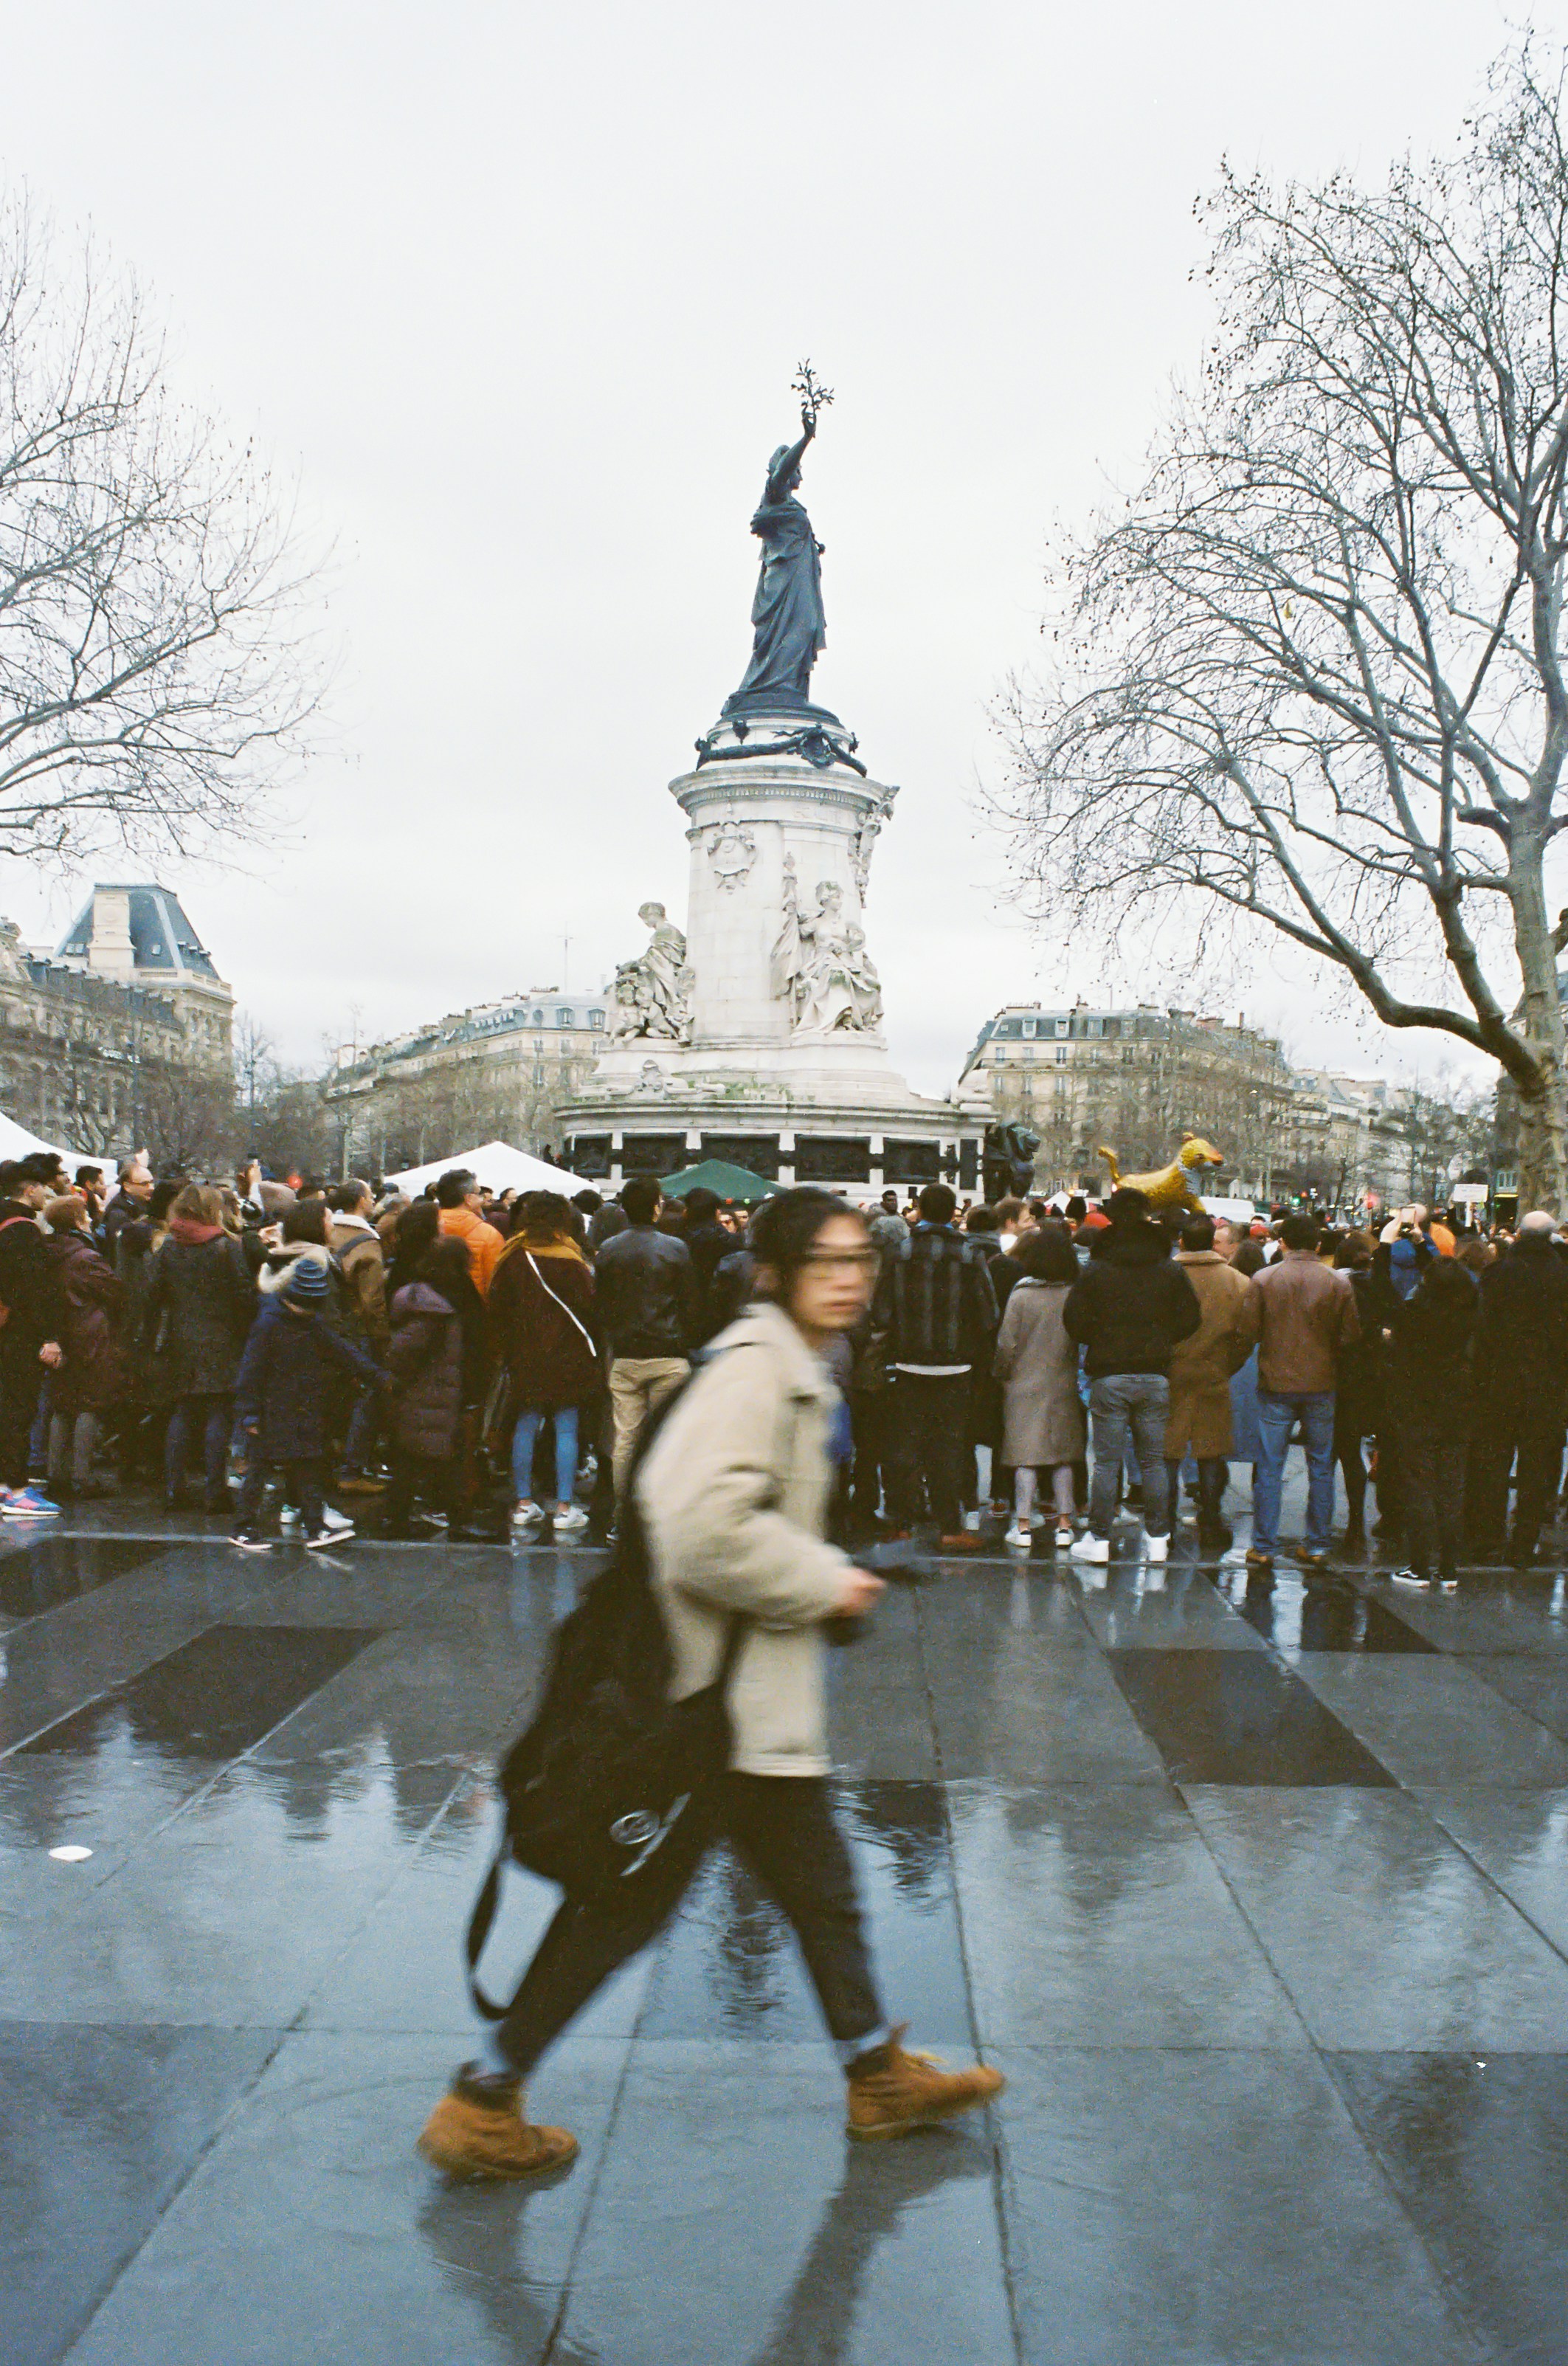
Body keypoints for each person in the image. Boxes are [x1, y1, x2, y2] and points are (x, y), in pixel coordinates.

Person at [416, 1187, 1004, 2180]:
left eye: (861, 1256)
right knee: (626, 1910)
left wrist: (836, 1559)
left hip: (742, 1700)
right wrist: (825, 1579)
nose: (852, 1276)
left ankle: (874, 2073)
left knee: (817, 1894)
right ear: (774, 1271)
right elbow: (700, 1528)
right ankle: (482, 2097)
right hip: (709, 1705)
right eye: (828, 1259)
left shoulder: (789, 1366)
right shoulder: (754, 1374)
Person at [1062, 1187, 1201, 1566]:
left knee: (1107, 1462)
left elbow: (1073, 1320)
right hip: (1155, 1372)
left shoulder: (1097, 1269)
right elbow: (1192, 1318)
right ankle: (1158, 1537)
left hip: (1109, 1372)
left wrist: (1100, 1338)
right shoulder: (1169, 1269)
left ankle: (1100, 1538)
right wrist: (1162, 1338)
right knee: (1154, 1460)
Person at [871, 1182, 999, 1552]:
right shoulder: (970, 1253)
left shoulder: (899, 1252)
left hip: (907, 1365)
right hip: (956, 1368)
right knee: (950, 1449)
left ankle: (901, 1523)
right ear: (954, 1210)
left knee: (903, 1447)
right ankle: (949, 1526)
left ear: (921, 1210)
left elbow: (880, 1312)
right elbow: (989, 1314)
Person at [230, 1255, 384, 1550]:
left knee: (306, 1467)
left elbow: (343, 1351)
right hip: (270, 1409)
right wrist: (249, 1415)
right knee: (261, 1471)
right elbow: (250, 1372)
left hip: (297, 1406)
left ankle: (315, 1527)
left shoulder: (305, 1319)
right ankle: (245, 1526)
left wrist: (376, 1375)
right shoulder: (269, 1323)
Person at [1246, 1213, 1361, 1575]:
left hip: (1276, 1381)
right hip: (1322, 1381)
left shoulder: (1264, 1279)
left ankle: (1263, 1545)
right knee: (1321, 1465)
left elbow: (1248, 1329)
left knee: (1269, 1465)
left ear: (1283, 1242)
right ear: (1317, 1243)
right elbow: (1350, 1335)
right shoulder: (1337, 1283)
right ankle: (1317, 1543)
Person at [142, 1182, 256, 1514]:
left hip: (181, 1339)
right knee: (219, 1414)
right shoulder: (224, 1247)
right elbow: (243, 1296)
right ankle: (214, 1492)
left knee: (182, 1412)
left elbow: (152, 1295)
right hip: (223, 1340)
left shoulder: (169, 1247)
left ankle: (174, 1490)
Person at [489, 1192, 598, 1536]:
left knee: (525, 1422)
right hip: (569, 1355)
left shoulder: (512, 1257)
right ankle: (565, 1507)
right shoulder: (571, 1260)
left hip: (524, 1354)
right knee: (567, 1426)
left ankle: (523, 1503)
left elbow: (498, 1307)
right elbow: (591, 1309)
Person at [1466, 1210, 1568, 1566]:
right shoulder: (1562, 1276)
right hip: (1549, 1387)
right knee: (1537, 1467)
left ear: (1520, 1235)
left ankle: (1488, 1536)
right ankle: (1525, 1541)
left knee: (1493, 1463)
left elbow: (1481, 1331)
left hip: (1499, 1383)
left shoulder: (1498, 1274)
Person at [594, 1176, 699, 1500]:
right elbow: (690, 1303)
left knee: (626, 1438)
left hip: (625, 1354)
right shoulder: (676, 1248)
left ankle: (623, 1512)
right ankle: (661, 1509)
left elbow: (603, 1301)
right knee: (667, 1437)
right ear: (656, 1207)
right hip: (668, 1352)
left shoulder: (608, 1250)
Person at [1162, 1213, 1258, 1551]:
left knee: (1168, 1452)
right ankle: (1212, 1519)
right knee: (1211, 1450)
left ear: (1183, 1241)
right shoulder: (1237, 1282)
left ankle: (1164, 1525)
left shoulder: (1165, 1275)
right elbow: (1246, 1336)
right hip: (1214, 1370)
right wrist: (1228, 1364)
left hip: (1170, 1371)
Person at [383, 1235, 488, 1539]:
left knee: (416, 1452)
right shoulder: (442, 1301)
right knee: (436, 1452)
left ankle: (405, 1515)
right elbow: (406, 1351)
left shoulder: (425, 1296)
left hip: (429, 1388)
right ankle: (446, 1516)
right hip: (438, 1388)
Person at [1384, 1255, 1479, 1586]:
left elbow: (1397, 1354)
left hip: (1418, 1407)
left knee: (1419, 1485)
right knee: (1453, 1487)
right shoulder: (1474, 1317)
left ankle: (1420, 1565)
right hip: (1459, 1408)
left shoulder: (1413, 1316)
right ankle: (1449, 1568)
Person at [992, 1224, 1086, 1548]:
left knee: (1025, 1458)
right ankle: (1064, 1524)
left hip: (1023, 1383)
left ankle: (1022, 1526)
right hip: (1063, 1381)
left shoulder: (1021, 1295)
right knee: (1063, 1457)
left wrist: (1002, 1374)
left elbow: (1006, 1344)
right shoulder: (1073, 1293)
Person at [41, 1194, 125, 1498]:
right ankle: (82, 1477)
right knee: (89, 1404)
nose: (90, 1219)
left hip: (59, 1335)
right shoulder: (85, 1257)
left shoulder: (46, 1253)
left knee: (61, 1406)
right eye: (86, 1216)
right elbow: (116, 1290)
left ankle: (56, 1475)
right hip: (89, 1334)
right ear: (77, 1221)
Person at [0, 1156, 65, 1517]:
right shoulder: (24, 1231)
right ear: (30, 1190)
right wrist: (49, 1337)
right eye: (43, 1188)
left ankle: (5, 1483)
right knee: (19, 1409)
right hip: (21, 1333)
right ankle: (16, 1488)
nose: (47, 1194)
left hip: (6, 1329)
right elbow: (35, 1291)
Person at [328, 1179, 392, 1490]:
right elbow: (372, 1301)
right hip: (355, 1330)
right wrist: (383, 1337)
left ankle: (332, 1456)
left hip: (323, 1326)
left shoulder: (324, 1232)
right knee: (367, 1396)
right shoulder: (366, 1242)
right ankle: (352, 1471)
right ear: (362, 1201)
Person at [436, 1168, 505, 1297]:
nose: (482, 1198)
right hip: (474, 1308)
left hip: (428, 1307)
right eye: (479, 1193)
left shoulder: (427, 1227)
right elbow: (497, 1282)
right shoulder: (489, 1234)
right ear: (468, 1198)